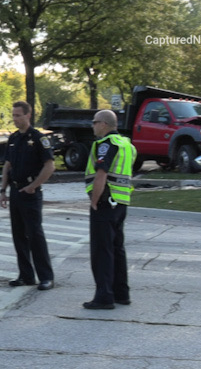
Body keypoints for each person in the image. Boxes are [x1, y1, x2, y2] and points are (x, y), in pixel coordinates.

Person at [0, 101, 56, 291]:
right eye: (13, 115)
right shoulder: (14, 138)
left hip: (30, 193)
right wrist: (2, 191)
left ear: (28, 115)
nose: (15, 119)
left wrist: (33, 186)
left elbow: (50, 166)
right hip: (15, 191)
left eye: (18, 115)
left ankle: (46, 277)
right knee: (18, 235)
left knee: (35, 235)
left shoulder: (38, 139)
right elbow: (7, 166)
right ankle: (25, 275)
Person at [83, 109, 136, 309]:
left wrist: (94, 200)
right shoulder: (127, 144)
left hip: (105, 201)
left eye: (95, 122)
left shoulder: (105, 144)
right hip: (121, 202)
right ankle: (121, 293)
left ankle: (104, 296)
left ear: (104, 124)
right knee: (117, 248)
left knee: (101, 251)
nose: (92, 125)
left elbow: (101, 173)